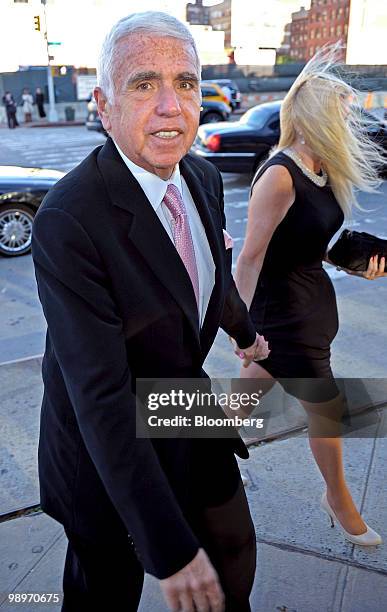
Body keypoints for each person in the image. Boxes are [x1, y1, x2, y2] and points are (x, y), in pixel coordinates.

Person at [32, 12, 269, 612]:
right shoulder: (70, 219)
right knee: (106, 587)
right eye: (144, 84)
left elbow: (206, 277)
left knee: (234, 541)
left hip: (182, 404)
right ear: (104, 106)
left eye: (186, 83)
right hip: (102, 446)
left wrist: (246, 333)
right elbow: (102, 395)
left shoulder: (202, 175)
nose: (172, 106)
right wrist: (169, 551)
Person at [234, 48, 386, 547]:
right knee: (326, 406)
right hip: (284, 312)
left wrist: (352, 264)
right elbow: (251, 257)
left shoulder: (322, 167)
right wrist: (241, 328)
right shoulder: (280, 174)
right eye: (342, 114)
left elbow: (307, 243)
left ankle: (193, 452)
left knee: (250, 388)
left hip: (313, 301)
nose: (350, 123)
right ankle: (339, 500)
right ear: (319, 116)